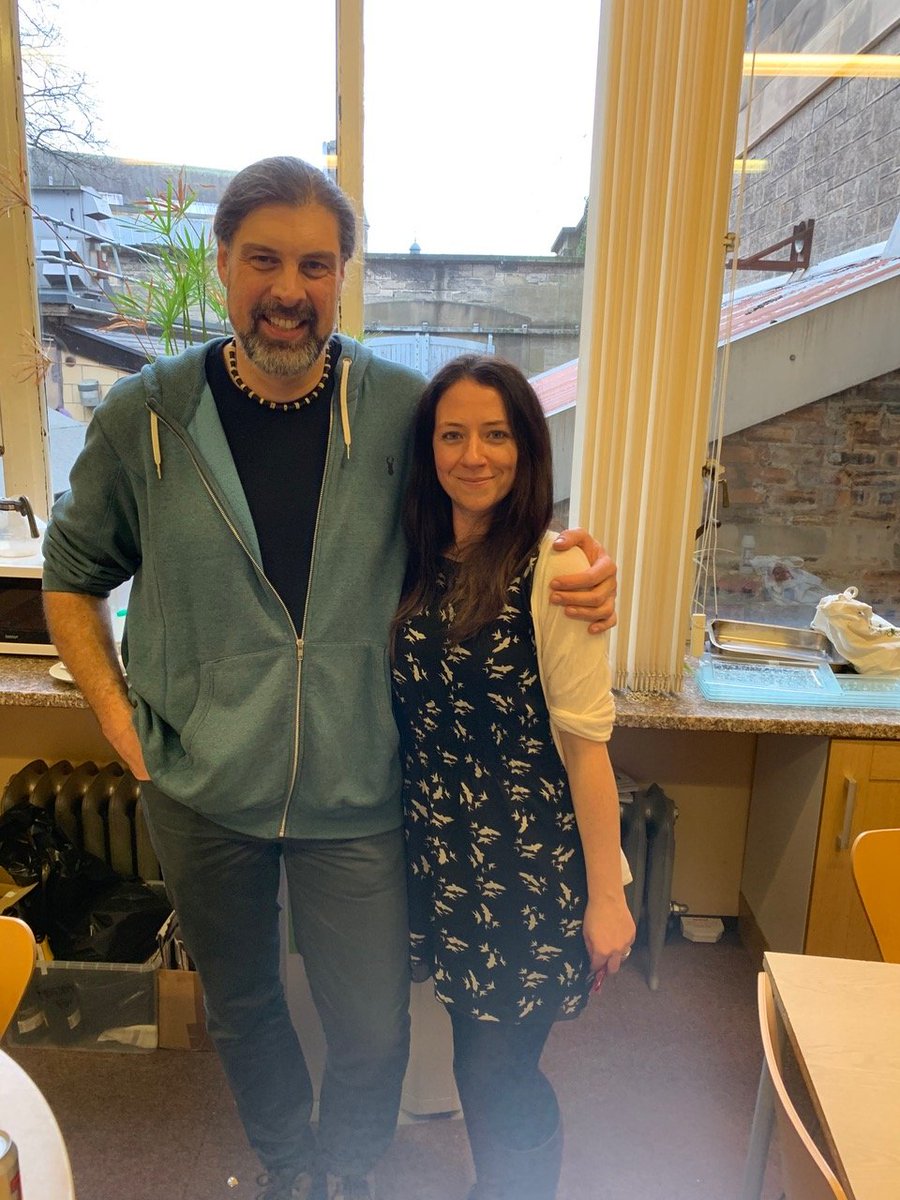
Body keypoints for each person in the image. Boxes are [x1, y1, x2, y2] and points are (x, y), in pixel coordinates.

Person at [41, 157, 618, 1200]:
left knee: (371, 1025)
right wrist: (127, 734)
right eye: (264, 259)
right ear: (223, 261)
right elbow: (70, 580)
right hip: (201, 788)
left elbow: (486, 496)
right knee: (243, 1007)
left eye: (315, 264)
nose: (289, 289)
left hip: (356, 789)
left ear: (343, 274)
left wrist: (573, 562)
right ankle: (290, 1170)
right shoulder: (146, 417)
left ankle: (349, 1169)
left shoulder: (398, 408)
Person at [391, 354, 635, 1200]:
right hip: (441, 858)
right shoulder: (417, 561)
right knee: (476, 1063)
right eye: (452, 435)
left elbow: (587, 748)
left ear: (527, 448)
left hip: (525, 871)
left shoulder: (557, 571)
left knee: (499, 1073)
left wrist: (607, 899)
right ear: (428, 450)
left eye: (496, 435)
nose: (474, 455)